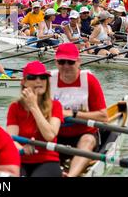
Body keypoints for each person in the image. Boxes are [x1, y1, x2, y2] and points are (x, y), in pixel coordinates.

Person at [51, 43, 108, 177]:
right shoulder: (48, 80)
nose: (65, 66)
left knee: (87, 140)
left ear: (78, 62)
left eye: (70, 62)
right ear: (56, 62)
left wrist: (73, 114)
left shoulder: (89, 81)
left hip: (84, 133)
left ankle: (71, 175)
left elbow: (104, 117)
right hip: (55, 133)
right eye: (61, 62)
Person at [6, 61, 63, 177]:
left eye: (43, 77)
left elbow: (50, 135)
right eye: (32, 77)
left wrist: (33, 106)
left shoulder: (56, 105)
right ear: (24, 82)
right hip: (21, 158)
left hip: (47, 160)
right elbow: (11, 139)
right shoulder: (15, 107)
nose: (39, 80)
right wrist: (22, 148)